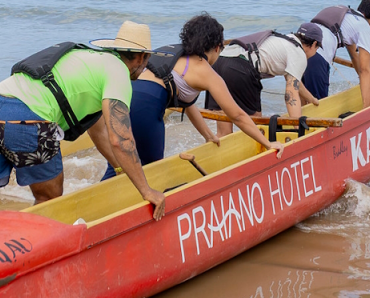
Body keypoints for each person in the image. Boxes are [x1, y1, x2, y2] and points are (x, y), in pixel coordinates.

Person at [0, 22, 166, 244]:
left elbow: (98, 129)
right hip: (27, 119)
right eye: (144, 63)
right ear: (142, 58)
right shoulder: (119, 73)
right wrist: (146, 190)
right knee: (51, 201)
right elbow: (121, 138)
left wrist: (120, 170)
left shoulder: (87, 59)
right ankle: (18, 258)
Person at [105, 13, 283, 179]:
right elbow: (237, 115)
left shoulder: (174, 53)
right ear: (216, 47)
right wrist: (267, 143)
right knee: (152, 171)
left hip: (123, 97)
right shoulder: (205, 71)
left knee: (120, 163)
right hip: (147, 107)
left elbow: (186, 103)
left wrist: (208, 135)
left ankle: (95, 206)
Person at [207, 22, 321, 137]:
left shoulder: (285, 40)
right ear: (314, 44)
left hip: (220, 61)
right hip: (241, 67)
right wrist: (298, 129)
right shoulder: (299, 53)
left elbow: (295, 82)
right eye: (317, 48)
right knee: (256, 125)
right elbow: (291, 94)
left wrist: (312, 99)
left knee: (223, 131)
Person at [304, 4, 370, 110]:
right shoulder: (365, 28)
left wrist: (362, 81)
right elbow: (365, 70)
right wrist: (368, 107)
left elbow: (354, 57)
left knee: (303, 101)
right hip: (318, 55)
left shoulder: (343, 13)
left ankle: (296, 124)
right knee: (319, 107)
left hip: (299, 49)